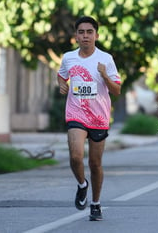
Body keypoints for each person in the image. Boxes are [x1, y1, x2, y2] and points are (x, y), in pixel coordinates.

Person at [57, 16, 121, 221]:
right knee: (75, 156)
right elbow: (61, 74)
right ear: (76, 36)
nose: (85, 36)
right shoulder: (68, 58)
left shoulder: (106, 59)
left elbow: (117, 90)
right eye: (81, 32)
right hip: (76, 113)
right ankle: (82, 185)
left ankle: (95, 203)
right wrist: (61, 84)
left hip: (99, 117)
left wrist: (105, 76)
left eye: (89, 32)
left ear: (96, 35)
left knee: (95, 163)